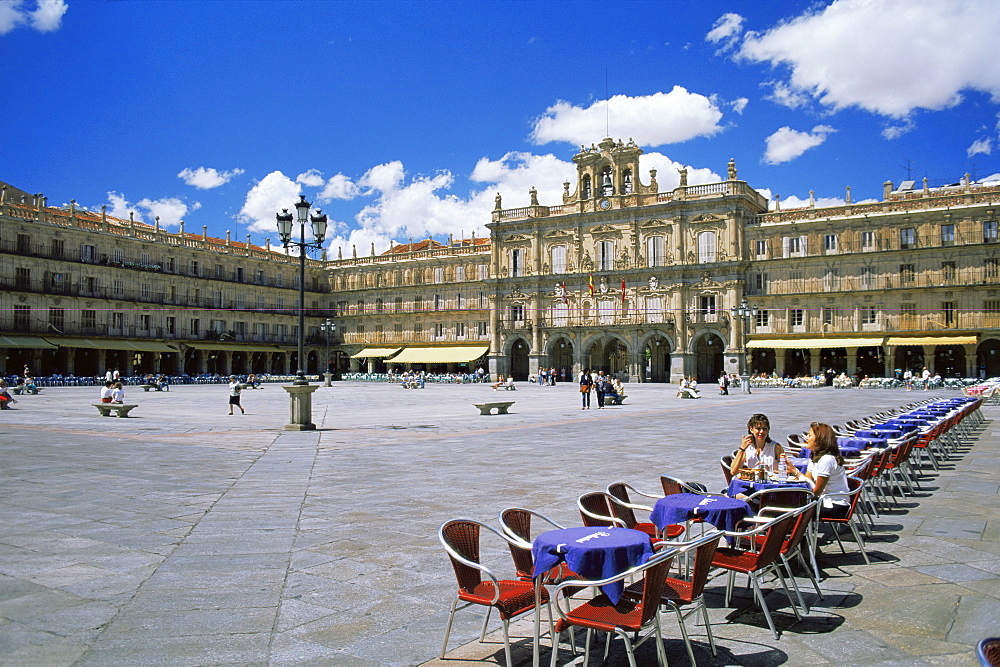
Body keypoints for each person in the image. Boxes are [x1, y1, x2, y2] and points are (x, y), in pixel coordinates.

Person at [802, 422, 852, 518]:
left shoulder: (826, 459)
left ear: (819, 439)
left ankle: (796, 532)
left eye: (809, 435)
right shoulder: (815, 456)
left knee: (792, 510)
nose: (806, 438)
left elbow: (816, 492)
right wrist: (793, 470)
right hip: (824, 500)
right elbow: (807, 480)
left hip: (835, 505)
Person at [730, 413, 796, 478]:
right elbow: (733, 472)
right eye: (758, 429)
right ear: (751, 429)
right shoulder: (747, 448)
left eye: (765, 429)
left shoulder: (775, 447)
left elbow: (790, 471)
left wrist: (769, 472)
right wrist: (742, 449)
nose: (761, 432)